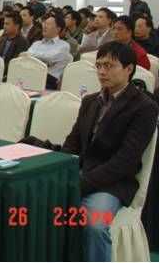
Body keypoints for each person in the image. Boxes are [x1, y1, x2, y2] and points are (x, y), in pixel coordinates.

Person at [21, 42, 158, 262]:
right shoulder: (90, 101)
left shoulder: (144, 107)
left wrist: (81, 183)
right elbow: (72, 145)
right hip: (81, 173)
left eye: (109, 66)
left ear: (129, 69)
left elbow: (125, 161)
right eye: (99, 65)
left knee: (95, 225)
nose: (102, 72)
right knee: (31, 205)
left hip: (113, 184)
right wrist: (59, 171)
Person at [27, 14, 72, 89]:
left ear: (58, 29)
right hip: (31, 75)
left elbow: (50, 58)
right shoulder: (36, 43)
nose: (44, 26)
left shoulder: (64, 46)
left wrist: (31, 56)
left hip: (49, 81)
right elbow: (25, 58)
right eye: (44, 23)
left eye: (48, 24)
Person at [0, 11, 29, 78]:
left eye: (7, 24)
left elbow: (15, 64)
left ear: (16, 26)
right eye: (4, 24)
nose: (4, 26)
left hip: (11, 75)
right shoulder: (3, 39)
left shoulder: (22, 42)